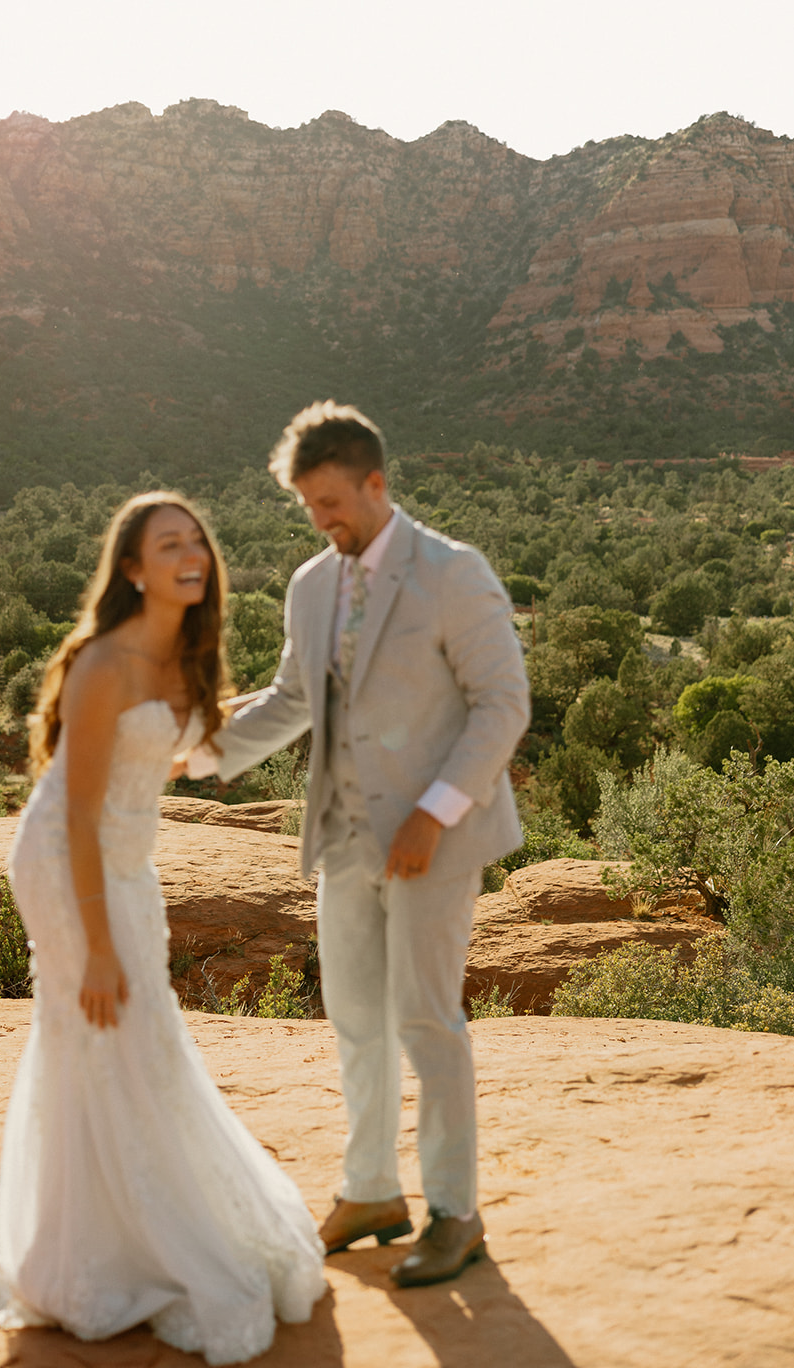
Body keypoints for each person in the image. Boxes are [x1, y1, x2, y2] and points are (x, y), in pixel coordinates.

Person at [186, 404, 530, 1288]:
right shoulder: (311, 585)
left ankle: (456, 1213)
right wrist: (199, 750)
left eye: (331, 501)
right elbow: (291, 699)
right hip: (341, 842)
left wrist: (433, 813)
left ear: (376, 484)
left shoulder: (453, 572)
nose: (319, 519)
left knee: (426, 1022)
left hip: (432, 843)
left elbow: (502, 706)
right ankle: (372, 1191)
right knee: (354, 1023)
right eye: (307, 505)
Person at [0, 491, 325, 1364]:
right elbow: (77, 816)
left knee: (138, 1038)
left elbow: (184, 750)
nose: (190, 553)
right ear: (132, 569)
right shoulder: (103, 664)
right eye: (168, 544)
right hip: (69, 869)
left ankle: (124, 1234)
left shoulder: (187, 658)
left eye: (196, 542)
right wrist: (96, 945)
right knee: (103, 1024)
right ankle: (102, 1252)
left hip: (127, 868)